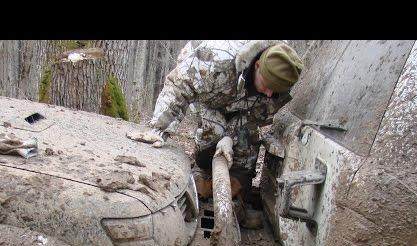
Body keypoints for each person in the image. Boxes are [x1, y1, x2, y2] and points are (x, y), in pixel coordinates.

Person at [127, 40, 303, 228]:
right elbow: (179, 86)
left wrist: (231, 137)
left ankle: (234, 201)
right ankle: (201, 185)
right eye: (267, 85)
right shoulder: (216, 60)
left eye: (275, 91)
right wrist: (159, 129)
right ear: (258, 65)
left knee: (246, 143)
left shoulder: (284, 79)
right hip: (209, 93)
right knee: (213, 131)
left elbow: (257, 115)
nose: (269, 94)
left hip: (243, 106)